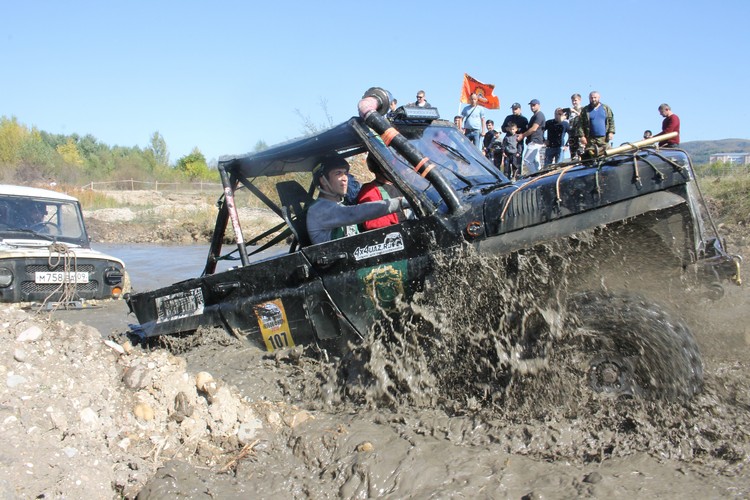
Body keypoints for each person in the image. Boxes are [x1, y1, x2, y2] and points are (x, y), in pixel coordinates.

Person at [306, 156, 407, 245]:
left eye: (345, 173)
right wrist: (401, 203)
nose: (345, 178)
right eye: (338, 173)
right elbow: (354, 213)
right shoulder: (319, 210)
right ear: (323, 180)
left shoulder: (339, 205)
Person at [356, 155, 408, 231]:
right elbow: (372, 222)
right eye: (392, 164)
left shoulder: (401, 185)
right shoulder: (370, 190)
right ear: (382, 167)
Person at [577, 91, 615, 158]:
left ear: (599, 98)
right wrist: (582, 136)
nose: (593, 99)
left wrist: (611, 132)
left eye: (595, 97)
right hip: (590, 140)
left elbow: (611, 121)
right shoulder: (585, 110)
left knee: (608, 156)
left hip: (604, 139)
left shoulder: (606, 108)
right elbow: (580, 124)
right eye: (591, 98)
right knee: (590, 157)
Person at [516, 99, 545, 174]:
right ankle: (538, 175)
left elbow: (534, 128)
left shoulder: (539, 115)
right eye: (531, 105)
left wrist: (522, 135)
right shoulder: (534, 116)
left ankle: (535, 176)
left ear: (539, 105)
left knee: (527, 160)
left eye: (534, 105)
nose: (532, 107)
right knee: (535, 162)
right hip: (535, 141)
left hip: (535, 141)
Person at [564, 93, 583, 160]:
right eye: (573, 101)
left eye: (575, 100)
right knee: (573, 154)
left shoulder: (583, 109)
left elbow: (583, 118)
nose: (574, 102)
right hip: (572, 135)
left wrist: (575, 111)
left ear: (579, 100)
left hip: (580, 135)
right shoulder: (569, 112)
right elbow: (562, 119)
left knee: (581, 153)